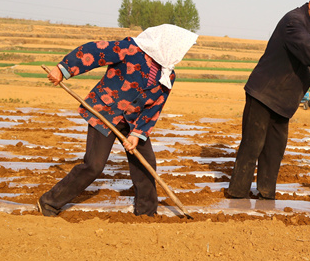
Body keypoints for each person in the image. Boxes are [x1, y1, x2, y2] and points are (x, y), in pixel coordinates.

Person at [37, 24, 198, 216]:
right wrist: (63, 69)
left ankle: (146, 213)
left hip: (133, 122)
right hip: (105, 113)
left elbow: (154, 107)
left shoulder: (168, 75)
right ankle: (49, 202)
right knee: (94, 165)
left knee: (146, 163)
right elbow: (94, 51)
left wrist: (137, 134)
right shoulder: (130, 49)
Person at [225, 0, 310, 200]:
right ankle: (237, 193)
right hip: (264, 93)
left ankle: (266, 193)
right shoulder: (293, 22)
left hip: (283, 100)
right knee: (252, 145)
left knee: (274, 150)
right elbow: (309, 51)